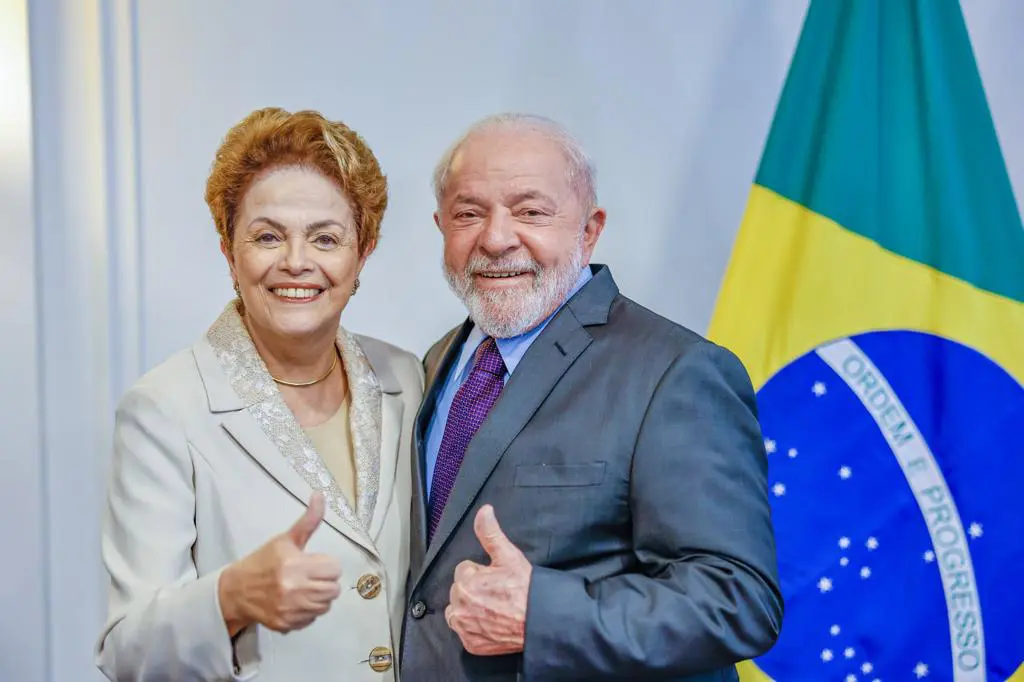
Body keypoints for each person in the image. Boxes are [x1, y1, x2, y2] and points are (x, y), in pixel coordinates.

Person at [400, 114, 783, 681]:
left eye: (530, 211)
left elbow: (738, 600)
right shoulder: (438, 362)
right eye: (469, 213)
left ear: (589, 230)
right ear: (441, 227)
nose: (497, 237)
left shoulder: (677, 372)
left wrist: (543, 617)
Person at [95, 107, 423, 681]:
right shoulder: (163, 410)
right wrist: (229, 598)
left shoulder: (408, 378)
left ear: (362, 252)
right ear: (228, 250)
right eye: (267, 236)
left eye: (326, 238)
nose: (296, 262)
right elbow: (127, 652)